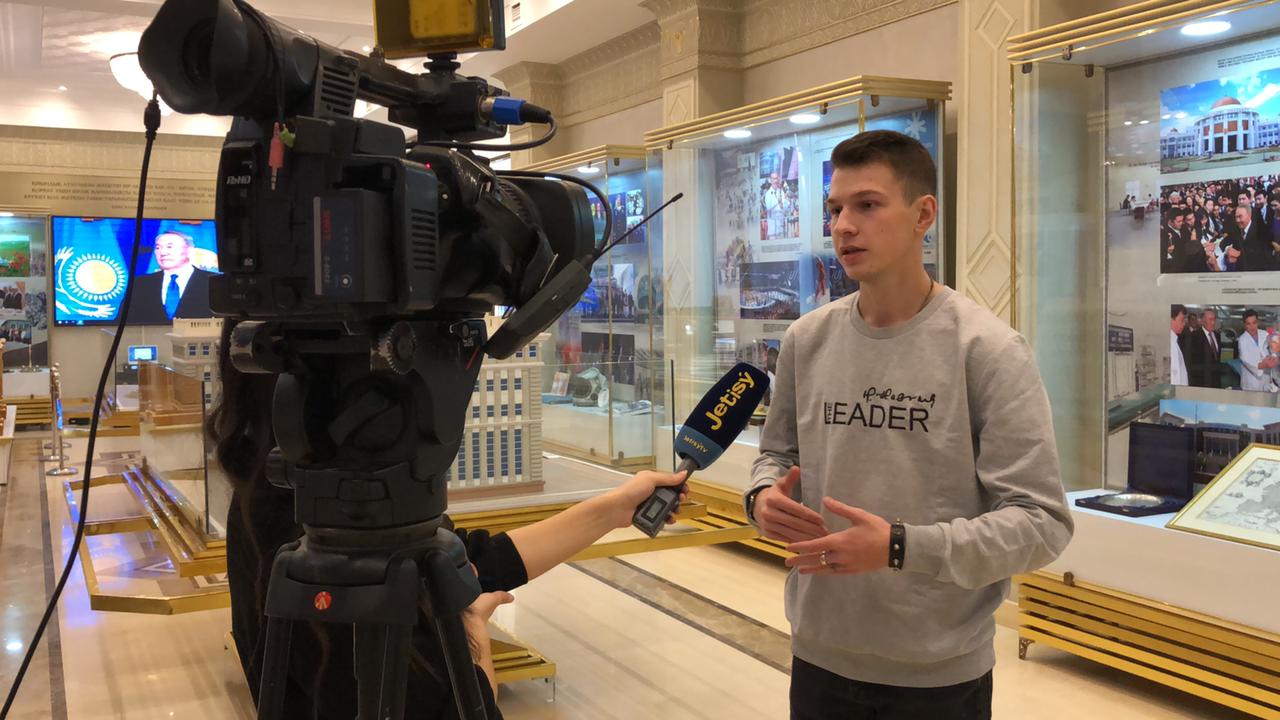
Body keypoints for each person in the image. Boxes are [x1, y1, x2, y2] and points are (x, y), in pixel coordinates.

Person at [743, 130, 1073, 720]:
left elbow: (1041, 523)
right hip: (818, 652)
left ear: (923, 215)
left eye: (867, 205)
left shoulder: (987, 350)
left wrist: (901, 547)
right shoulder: (806, 339)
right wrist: (762, 497)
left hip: (936, 674)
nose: (843, 226)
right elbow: (777, 455)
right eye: (834, 210)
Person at [213, 321, 691, 719]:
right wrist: (473, 636)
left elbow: (466, 560)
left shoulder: (273, 500)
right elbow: (457, 702)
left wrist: (613, 509)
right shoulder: (325, 560)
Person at [126, 231, 215, 324]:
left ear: (189, 251)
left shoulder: (212, 281)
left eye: (169, 247)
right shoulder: (140, 284)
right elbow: (123, 322)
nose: (163, 253)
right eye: (158, 248)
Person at [1185, 308, 1222, 389]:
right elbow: (1190, 363)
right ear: (1202, 321)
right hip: (1201, 383)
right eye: (1210, 319)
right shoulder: (1194, 337)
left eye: (1214, 319)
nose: (1213, 322)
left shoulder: (1217, 336)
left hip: (1216, 383)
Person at [1238, 309, 1272, 392]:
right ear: (1244, 325)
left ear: (1258, 322)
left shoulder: (1265, 334)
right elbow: (1246, 360)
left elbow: (1273, 349)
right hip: (1250, 383)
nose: (1252, 327)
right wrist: (1263, 364)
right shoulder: (1242, 340)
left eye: (1254, 322)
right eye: (1248, 324)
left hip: (1266, 380)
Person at [1170, 305, 1189, 386]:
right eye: (1182, 320)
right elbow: (1175, 376)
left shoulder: (1174, 341)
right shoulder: (1171, 344)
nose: (1184, 324)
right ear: (1171, 320)